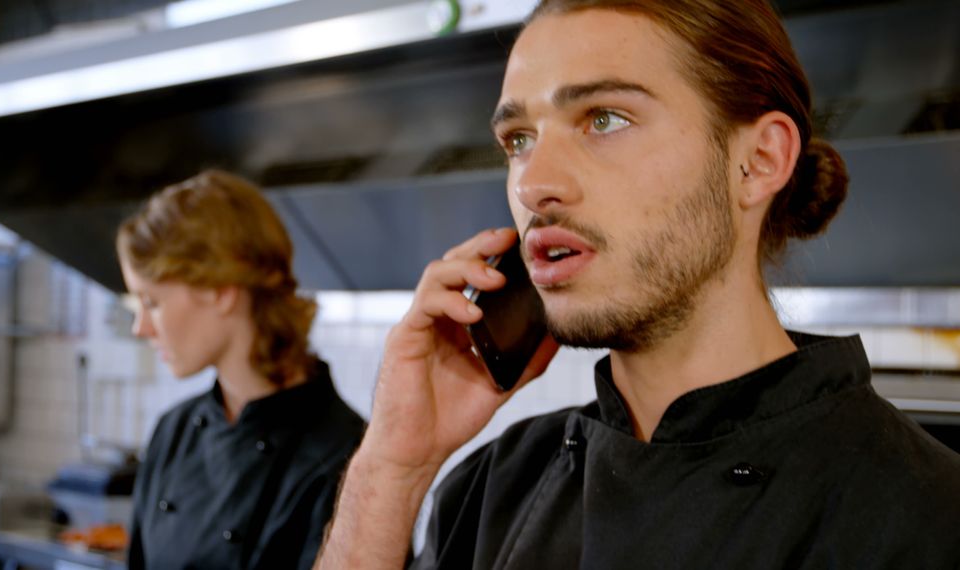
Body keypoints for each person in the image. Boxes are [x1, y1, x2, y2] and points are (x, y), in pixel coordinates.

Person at [315, 0, 960, 568]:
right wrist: (394, 467)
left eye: (604, 119)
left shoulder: (923, 517)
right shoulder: (495, 488)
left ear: (759, 161)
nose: (533, 184)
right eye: (518, 139)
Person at [117, 169, 366, 569]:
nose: (141, 327)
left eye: (154, 302)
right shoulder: (174, 432)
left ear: (220, 290)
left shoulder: (346, 455)